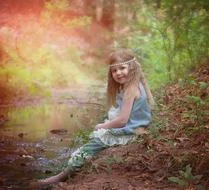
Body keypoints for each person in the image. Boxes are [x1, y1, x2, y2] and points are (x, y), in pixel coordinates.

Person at [36, 49, 154, 185]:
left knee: (86, 149)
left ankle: (60, 177)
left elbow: (122, 121)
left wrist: (102, 126)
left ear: (132, 68)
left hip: (130, 131)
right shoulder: (133, 85)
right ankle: (63, 173)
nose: (118, 73)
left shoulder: (130, 90)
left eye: (122, 68)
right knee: (98, 134)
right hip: (136, 127)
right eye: (114, 70)